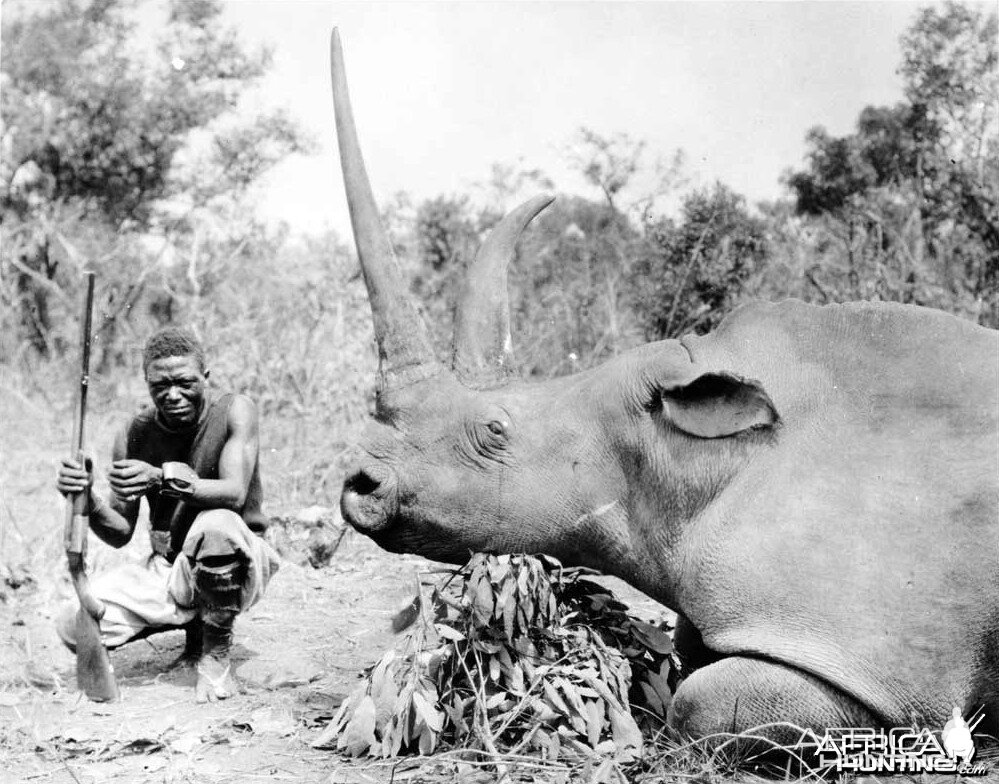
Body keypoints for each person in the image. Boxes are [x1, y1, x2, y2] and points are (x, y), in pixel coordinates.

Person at [55, 326, 279, 702]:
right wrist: (87, 497)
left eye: (185, 382)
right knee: (71, 625)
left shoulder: (234, 411)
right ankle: (191, 628)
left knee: (217, 527)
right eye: (160, 386)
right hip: (171, 570)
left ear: (204, 378)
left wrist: (159, 478)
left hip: (241, 560)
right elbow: (120, 531)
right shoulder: (133, 433)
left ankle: (215, 656)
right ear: (146, 384)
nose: (173, 395)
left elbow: (233, 492)